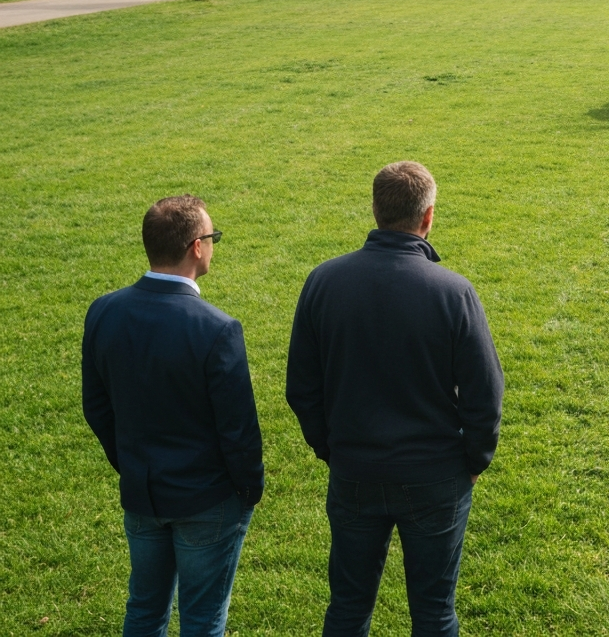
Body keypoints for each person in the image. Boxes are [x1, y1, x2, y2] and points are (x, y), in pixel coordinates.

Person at [286, 161, 504, 636]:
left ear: (375, 209)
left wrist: (331, 448)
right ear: (427, 218)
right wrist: (474, 460)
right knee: (434, 612)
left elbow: (301, 387)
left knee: (347, 606)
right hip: (436, 476)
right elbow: (485, 395)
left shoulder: (323, 282)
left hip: (354, 471)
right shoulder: (453, 292)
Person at [82, 194, 264, 635]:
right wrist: (248, 491)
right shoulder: (217, 329)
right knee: (202, 619)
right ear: (196, 247)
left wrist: (130, 464)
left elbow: (97, 407)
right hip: (208, 500)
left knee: (144, 609)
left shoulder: (104, 311)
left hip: (142, 493)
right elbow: (238, 431)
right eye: (213, 237)